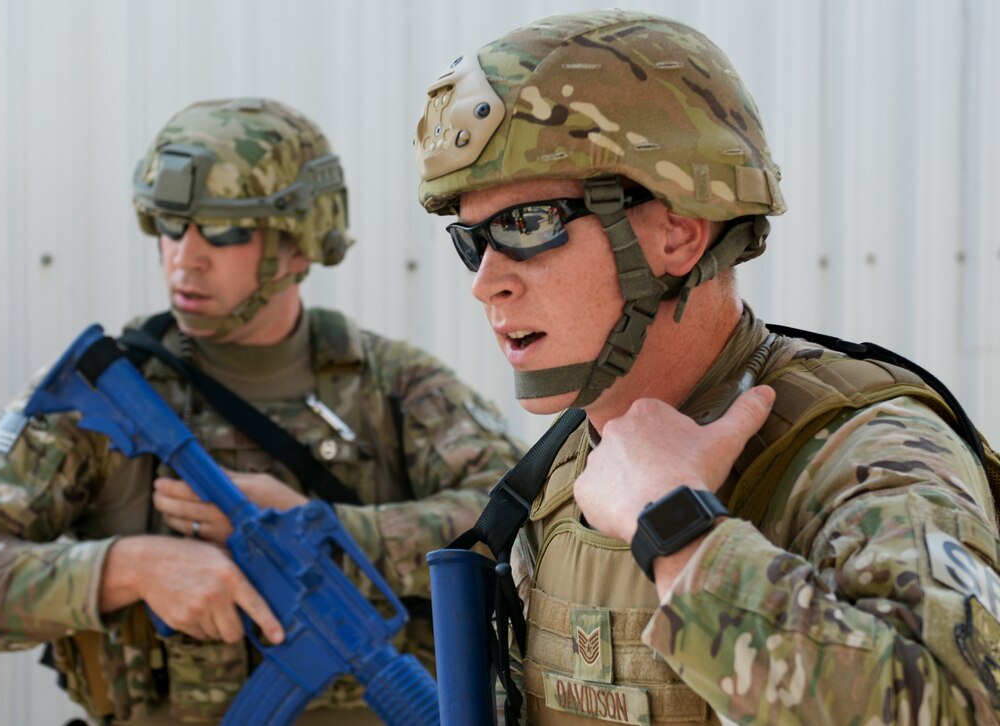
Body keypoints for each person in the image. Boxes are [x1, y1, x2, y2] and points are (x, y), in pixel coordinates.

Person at [414, 10, 1000, 725]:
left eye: (527, 224)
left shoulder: (862, 452)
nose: (486, 283)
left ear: (680, 233)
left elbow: (958, 708)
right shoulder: (565, 473)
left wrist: (679, 531)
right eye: (474, 240)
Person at [0, 97, 524, 725]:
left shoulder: (393, 383)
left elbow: (518, 527)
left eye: (225, 231)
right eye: (170, 225)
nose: (185, 256)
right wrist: (130, 568)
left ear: (299, 242)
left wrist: (331, 533)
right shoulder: (104, 395)